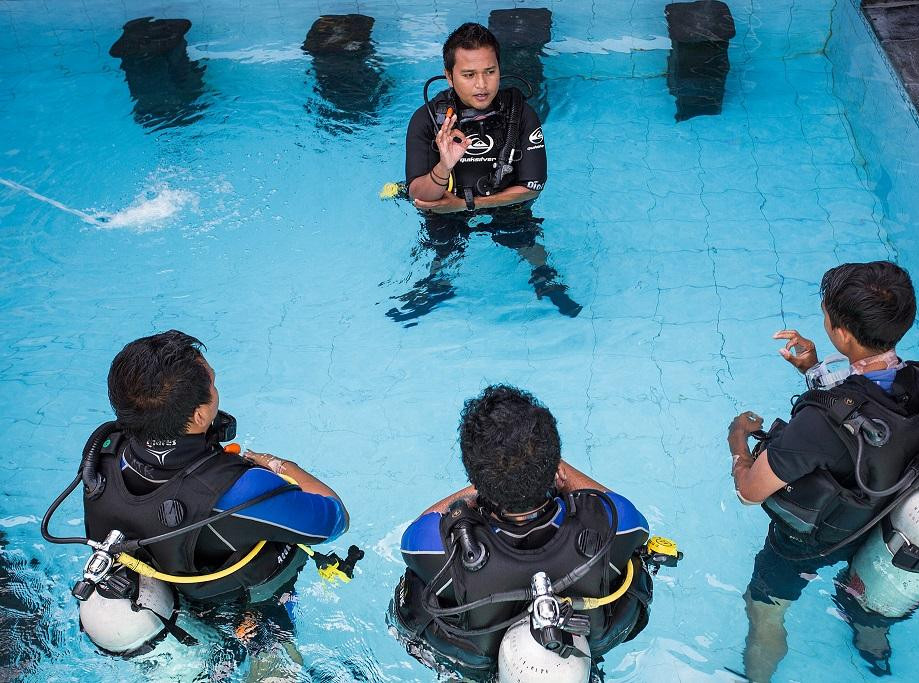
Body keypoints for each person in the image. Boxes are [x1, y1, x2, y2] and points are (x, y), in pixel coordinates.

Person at [725, 262, 919, 681]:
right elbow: (879, 428)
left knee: (764, 609)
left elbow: (749, 491)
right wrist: (814, 371)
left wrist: (737, 439)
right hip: (890, 529)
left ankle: (758, 676)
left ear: (842, 334)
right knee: (872, 605)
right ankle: (871, 639)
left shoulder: (818, 424)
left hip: (813, 542)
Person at [83, 331, 348, 659]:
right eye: (212, 383)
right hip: (250, 608)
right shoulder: (239, 491)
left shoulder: (102, 457)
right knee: (272, 651)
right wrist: (282, 466)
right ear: (198, 416)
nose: (216, 387)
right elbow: (333, 519)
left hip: (159, 602)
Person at [391, 385, 653, 680]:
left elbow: (415, 531)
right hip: (578, 648)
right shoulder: (616, 524)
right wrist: (553, 470)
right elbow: (636, 519)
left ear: (474, 475)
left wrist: (487, 482)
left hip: (477, 659)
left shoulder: (433, 547)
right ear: (555, 461)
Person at [391, 22, 580, 323]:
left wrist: (467, 205)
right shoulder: (427, 121)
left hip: (505, 199)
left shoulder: (519, 114)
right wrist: (444, 165)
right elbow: (420, 197)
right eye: (469, 75)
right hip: (445, 208)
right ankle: (438, 283)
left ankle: (544, 277)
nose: (482, 85)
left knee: (523, 236)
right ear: (449, 75)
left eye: (489, 72)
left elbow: (533, 186)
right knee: (443, 244)